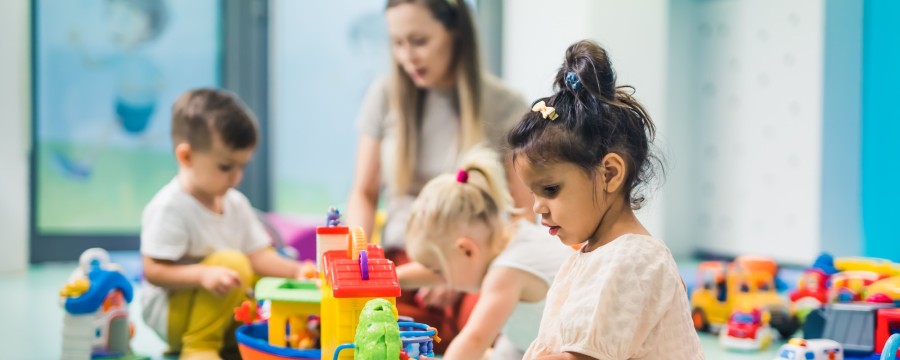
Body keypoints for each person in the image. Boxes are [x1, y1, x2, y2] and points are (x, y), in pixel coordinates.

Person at [346, 0, 531, 349]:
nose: (407, 56)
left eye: (419, 41)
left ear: (455, 33)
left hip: (475, 262)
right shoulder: (383, 95)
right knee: (370, 332)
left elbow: (524, 214)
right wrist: (358, 260)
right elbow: (364, 193)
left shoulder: (506, 106)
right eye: (397, 43)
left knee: (498, 333)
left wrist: (457, 271)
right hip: (403, 258)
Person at [508, 40, 703, 359]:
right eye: (534, 193)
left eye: (551, 189)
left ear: (610, 174)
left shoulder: (633, 260)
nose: (537, 207)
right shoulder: (592, 255)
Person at [140, 89, 306, 360]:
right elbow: (154, 270)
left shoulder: (235, 203)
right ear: (187, 157)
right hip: (174, 314)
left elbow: (259, 256)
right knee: (233, 263)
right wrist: (203, 275)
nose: (237, 177)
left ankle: (236, 342)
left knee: (261, 278)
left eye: (243, 166)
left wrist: (298, 271)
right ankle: (199, 347)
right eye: (226, 167)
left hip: (220, 305)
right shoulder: (170, 206)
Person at [397, 146, 572, 359]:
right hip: (528, 342)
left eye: (437, 270)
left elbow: (474, 341)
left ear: (467, 250)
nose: (437, 278)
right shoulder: (511, 236)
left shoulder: (507, 271)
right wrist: (391, 278)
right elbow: (439, 272)